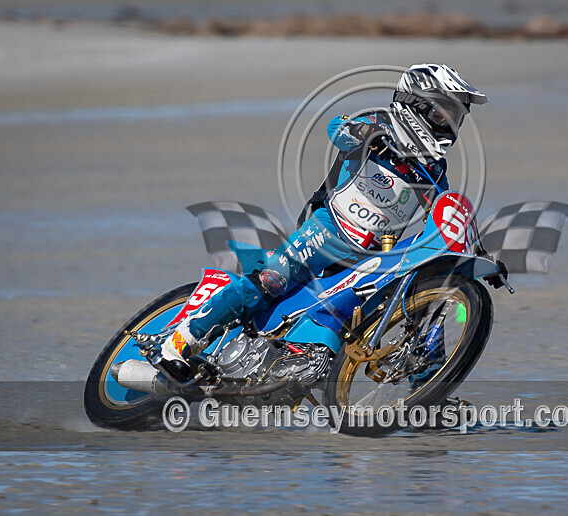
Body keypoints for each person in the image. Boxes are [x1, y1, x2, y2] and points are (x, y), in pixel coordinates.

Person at [160, 63, 489, 378]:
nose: (447, 124)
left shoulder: (434, 168)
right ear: (415, 104)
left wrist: (474, 249)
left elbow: (443, 211)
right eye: (440, 113)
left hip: (373, 254)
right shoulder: (379, 122)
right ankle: (180, 343)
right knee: (271, 280)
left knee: (417, 297)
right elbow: (338, 129)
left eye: (453, 117)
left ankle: (428, 388)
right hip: (328, 231)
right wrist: (366, 132)